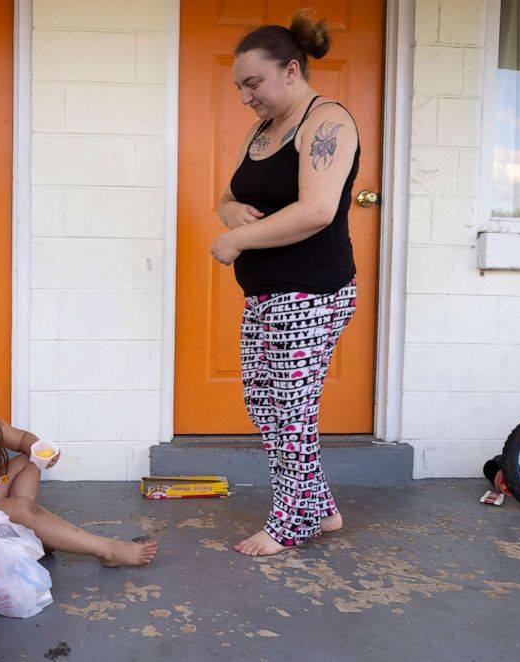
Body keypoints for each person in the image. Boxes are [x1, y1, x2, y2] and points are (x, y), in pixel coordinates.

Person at [209, 11, 359, 556]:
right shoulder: (263, 130)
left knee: (291, 407)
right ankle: (321, 508)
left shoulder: (328, 123)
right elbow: (228, 196)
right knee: (264, 402)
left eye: (254, 83)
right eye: (240, 86)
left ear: (291, 71)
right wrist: (229, 217)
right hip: (268, 294)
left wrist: (237, 242)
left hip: (312, 290)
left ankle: (291, 522)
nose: (246, 96)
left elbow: (317, 210)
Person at [0, 344, 158, 567]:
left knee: (28, 462)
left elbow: (22, 440)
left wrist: (39, 448)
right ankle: (107, 550)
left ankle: (24, 530)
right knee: (22, 508)